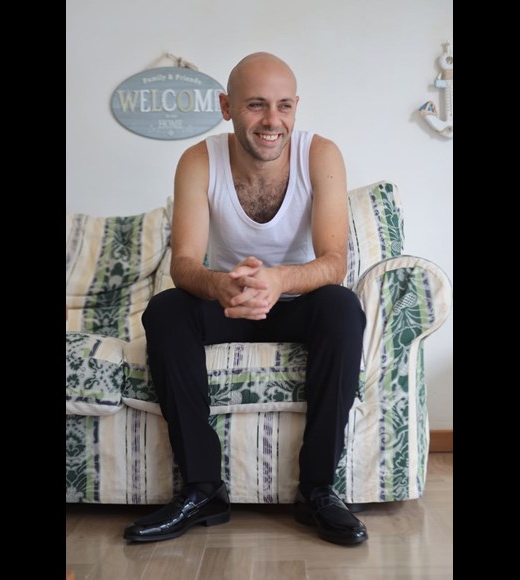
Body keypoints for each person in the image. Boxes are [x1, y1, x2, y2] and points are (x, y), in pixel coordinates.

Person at [123, 52, 368, 546]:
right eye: (256, 105)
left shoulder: (320, 154)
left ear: (296, 107)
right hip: (230, 298)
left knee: (342, 308)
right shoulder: (198, 160)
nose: (272, 120)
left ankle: (318, 490)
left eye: (283, 106)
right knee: (166, 310)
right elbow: (184, 263)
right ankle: (202, 489)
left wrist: (278, 280)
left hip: (298, 301)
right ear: (226, 107)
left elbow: (333, 262)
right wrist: (222, 286)